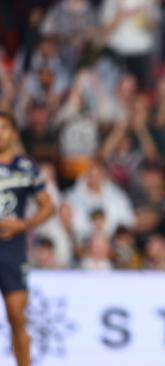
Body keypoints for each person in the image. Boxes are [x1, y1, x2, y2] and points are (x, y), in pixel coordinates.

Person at [0, 111, 54, 366]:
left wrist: (24, 224)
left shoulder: (25, 167)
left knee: (16, 316)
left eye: (4, 128)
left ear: (13, 133)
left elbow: (47, 205)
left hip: (12, 248)